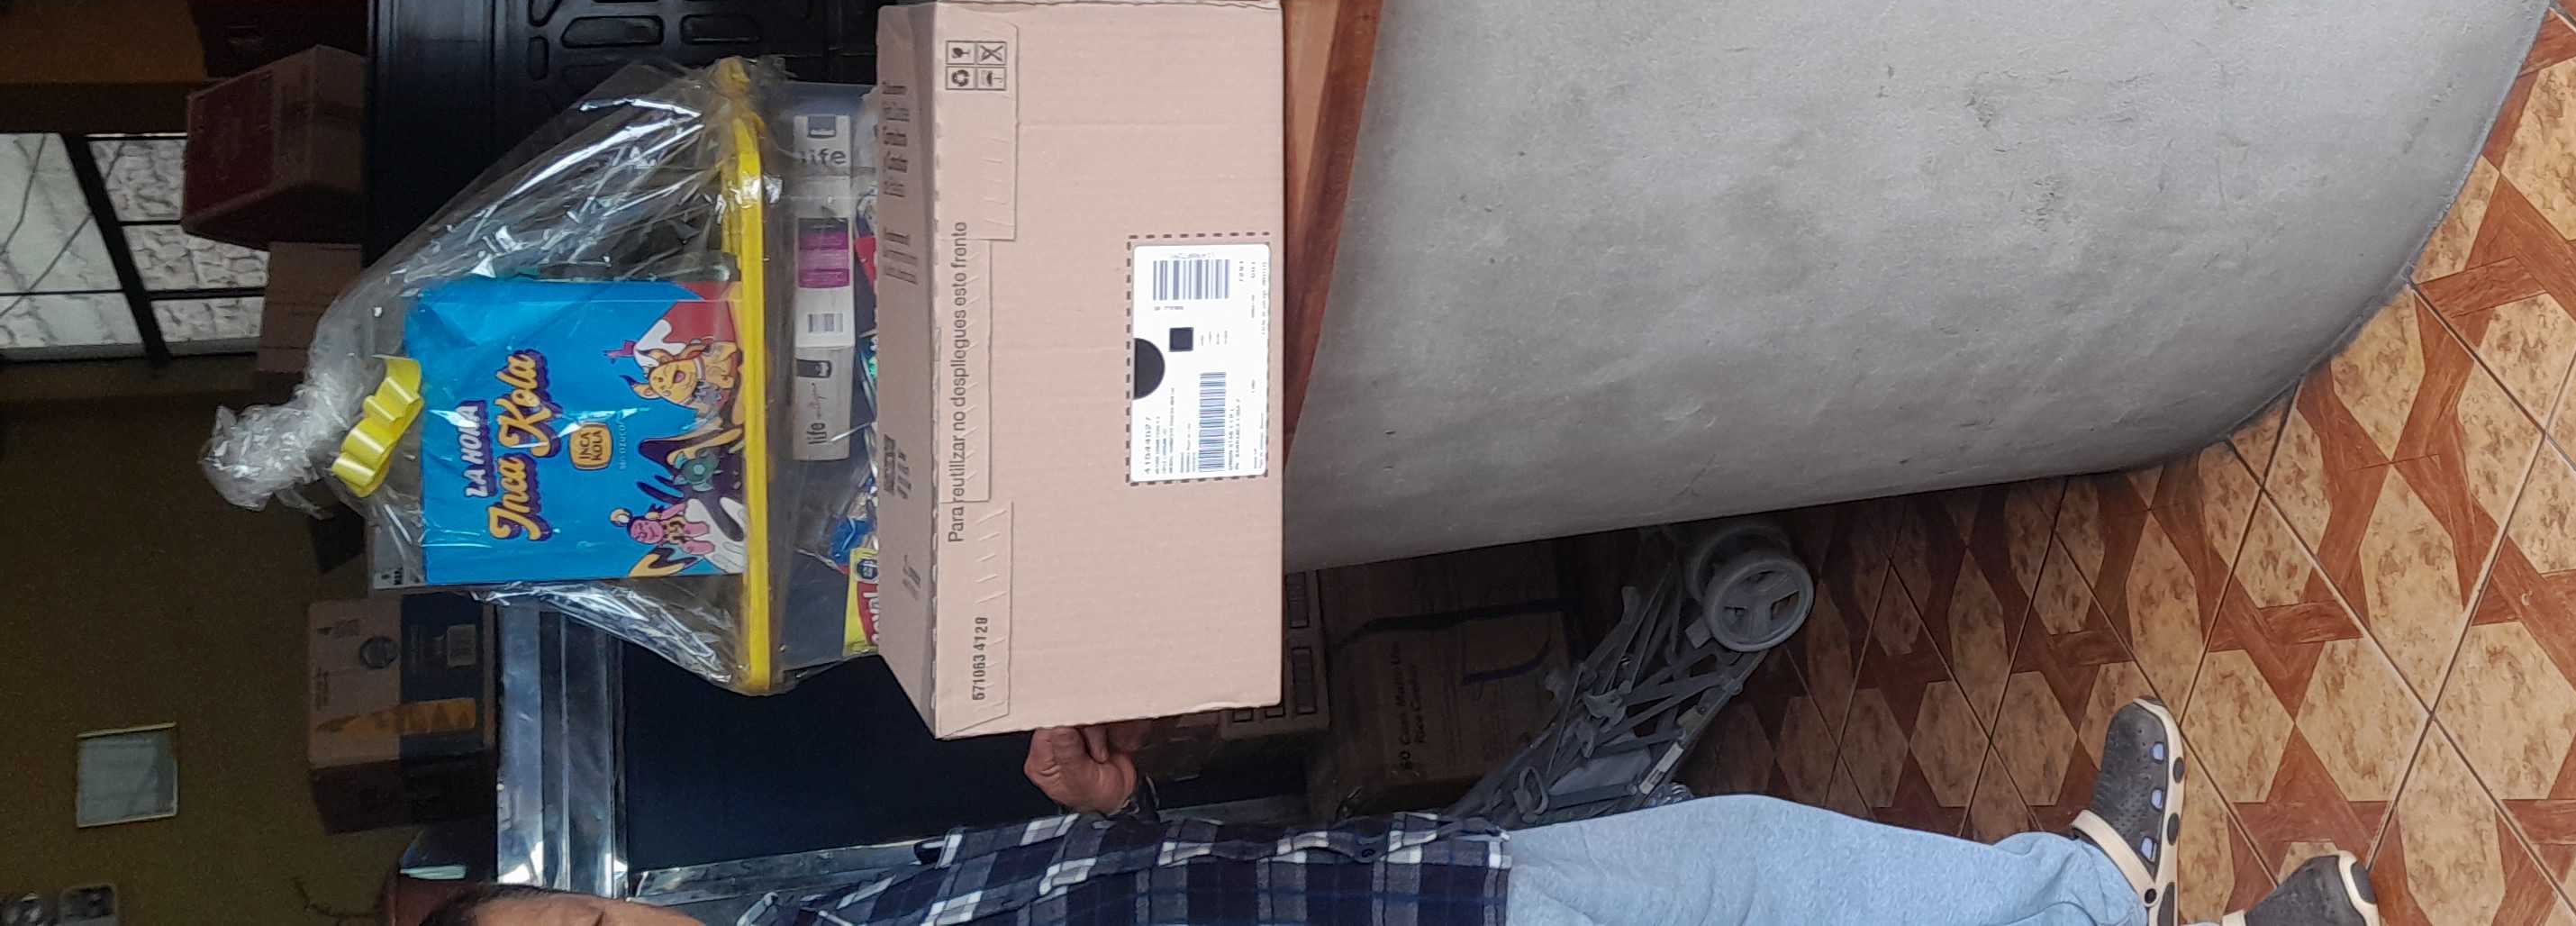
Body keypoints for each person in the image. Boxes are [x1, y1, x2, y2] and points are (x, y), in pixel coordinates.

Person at [416, 699, 2379, 926]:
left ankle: (2083, 897)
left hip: (1413, 884)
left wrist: (1116, 801)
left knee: (1747, 859)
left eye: (575, 925)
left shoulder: (820, 904)